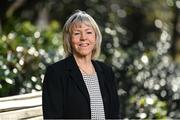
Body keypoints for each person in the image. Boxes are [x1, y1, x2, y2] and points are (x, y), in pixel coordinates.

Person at [42, 10, 120, 119]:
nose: (83, 38)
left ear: (95, 37)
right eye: (77, 33)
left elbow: (115, 115)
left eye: (88, 32)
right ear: (68, 39)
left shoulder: (106, 72)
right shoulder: (56, 73)